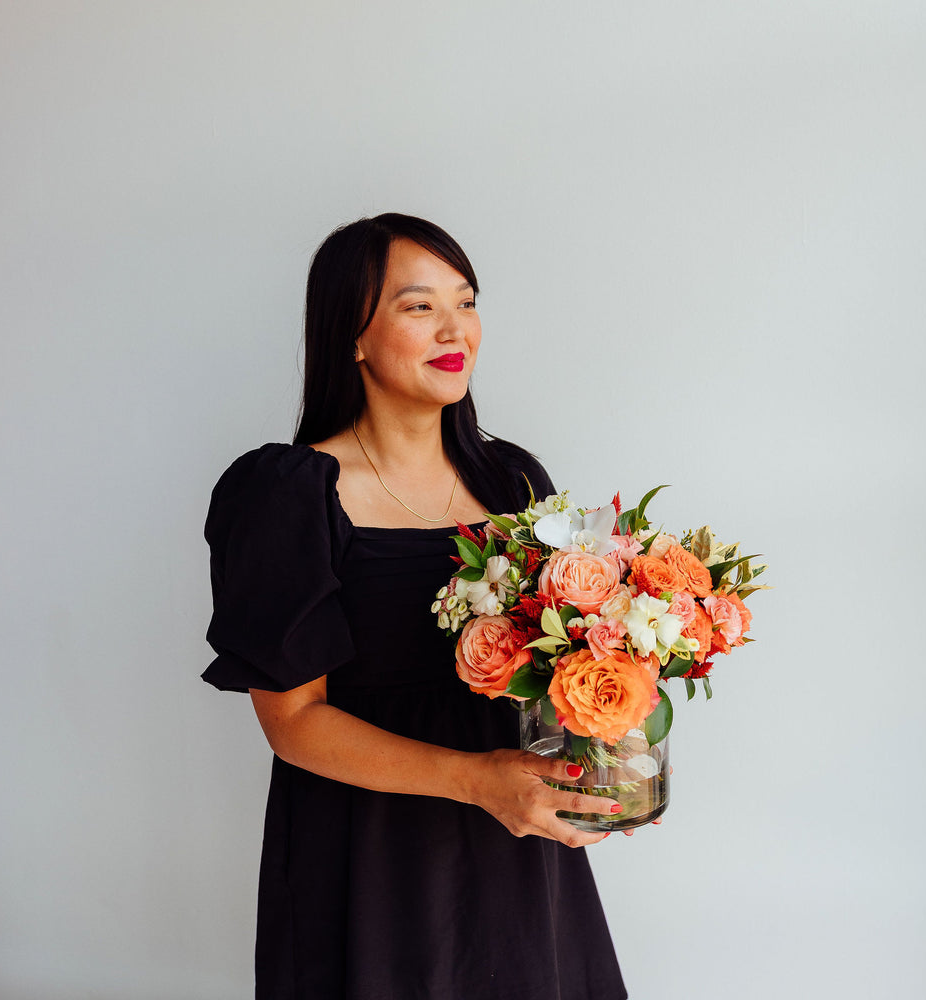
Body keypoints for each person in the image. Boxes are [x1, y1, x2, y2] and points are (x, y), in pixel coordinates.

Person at [202, 213, 628, 1000]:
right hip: (368, 857)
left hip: (516, 847)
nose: (453, 328)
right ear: (351, 336)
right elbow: (292, 723)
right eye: (417, 305)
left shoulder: (512, 482)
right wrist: (478, 779)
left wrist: (614, 741)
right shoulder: (288, 495)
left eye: (465, 302)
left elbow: (558, 667)